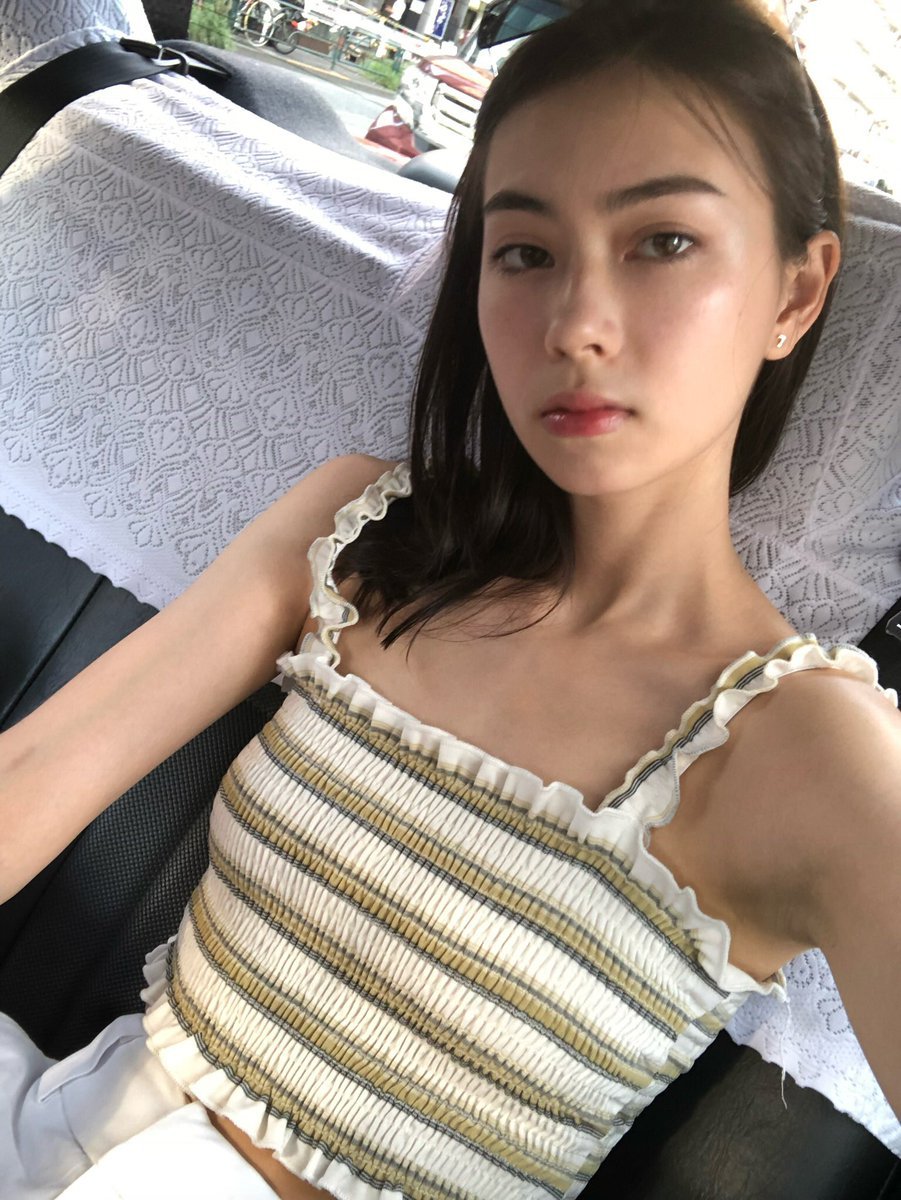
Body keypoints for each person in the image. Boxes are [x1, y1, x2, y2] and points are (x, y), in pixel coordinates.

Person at [1, 0, 900, 1196]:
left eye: (662, 242)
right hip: (60, 1129)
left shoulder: (811, 750)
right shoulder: (366, 531)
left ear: (794, 294)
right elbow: (30, 775)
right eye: (524, 252)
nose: (576, 325)